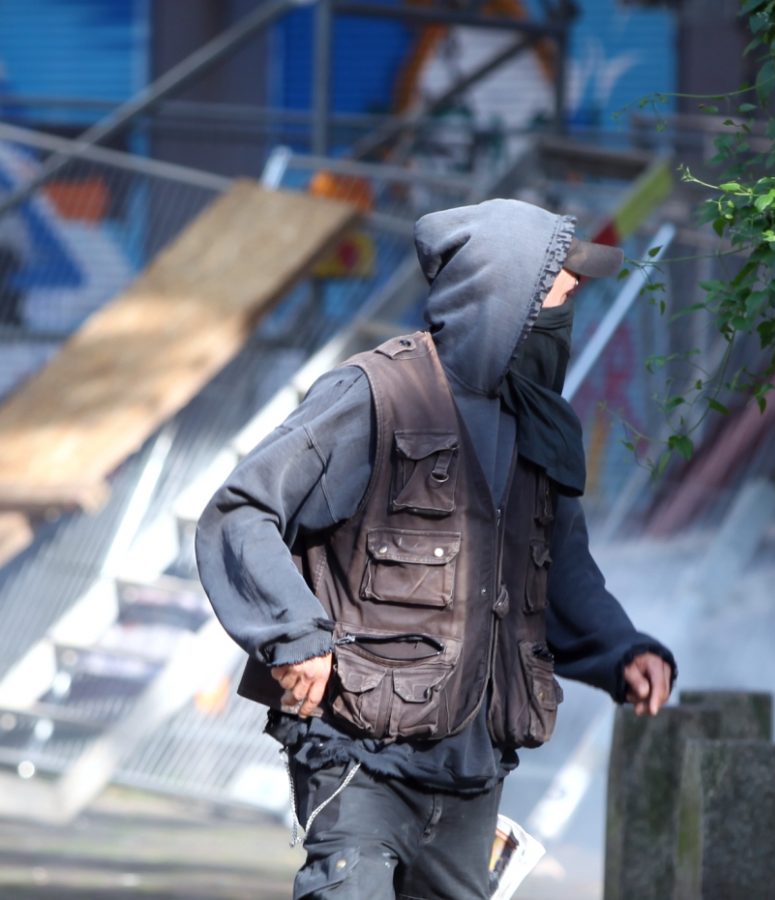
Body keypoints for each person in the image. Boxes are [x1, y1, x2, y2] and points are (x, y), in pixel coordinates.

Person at [196, 198, 676, 900]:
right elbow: (242, 511)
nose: (570, 302)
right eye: (559, 289)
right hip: (356, 752)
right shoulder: (373, 395)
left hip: (475, 767)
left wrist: (625, 652)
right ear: (502, 291)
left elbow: (563, 572)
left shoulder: (542, 425)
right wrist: (293, 637)